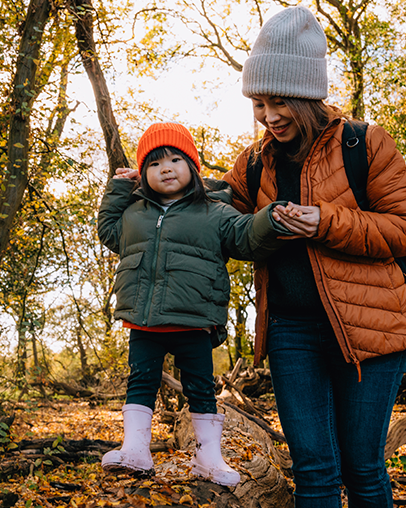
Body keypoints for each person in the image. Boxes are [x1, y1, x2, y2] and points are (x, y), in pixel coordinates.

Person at [221, 6, 406, 507]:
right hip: (291, 333)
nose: (269, 115)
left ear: (307, 95)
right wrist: (158, 183)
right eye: (259, 103)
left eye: (279, 101)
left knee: (363, 467)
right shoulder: (256, 162)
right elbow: (220, 219)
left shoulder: (363, 144)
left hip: (373, 330)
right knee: (314, 472)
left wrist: (327, 222)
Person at [96, 122, 285, 486]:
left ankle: (209, 458)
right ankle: (135, 448)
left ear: (193, 166)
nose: (165, 168)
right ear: (142, 174)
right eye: (153, 163)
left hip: (194, 320)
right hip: (144, 321)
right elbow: (108, 231)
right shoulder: (134, 213)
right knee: (141, 381)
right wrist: (120, 187)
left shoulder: (214, 210)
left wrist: (271, 218)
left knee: (200, 386)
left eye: (174, 159)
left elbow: (245, 238)